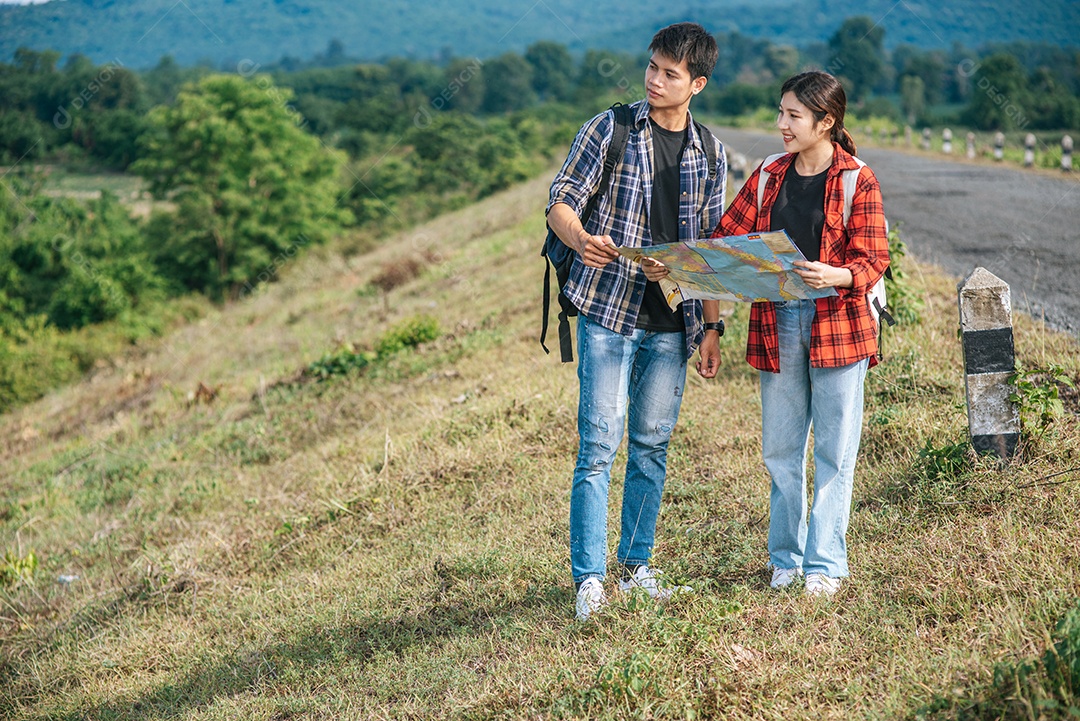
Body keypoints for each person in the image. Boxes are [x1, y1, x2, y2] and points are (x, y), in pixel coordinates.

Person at [647, 70, 888, 597]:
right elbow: (725, 244)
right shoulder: (768, 176)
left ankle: (824, 565)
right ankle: (786, 559)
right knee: (781, 449)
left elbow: (874, 259)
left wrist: (838, 274)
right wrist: (676, 268)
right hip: (777, 321)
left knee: (834, 450)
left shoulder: (856, 179)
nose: (781, 124)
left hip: (838, 324)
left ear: (826, 122)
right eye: (780, 113)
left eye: (793, 116)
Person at [546, 22, 728, 620]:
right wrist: (581, 236)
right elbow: (561, 200)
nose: (654, 80)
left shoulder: (711, 152)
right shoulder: (611, 127)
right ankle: (589, 580)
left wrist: (710, 327)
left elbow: (706, 252)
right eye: (651, 67)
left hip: (671, 322)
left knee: (652, 445)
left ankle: (637, 565)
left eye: (670, 74)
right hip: (607, 309)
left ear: (696, 83)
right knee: (598, 444)